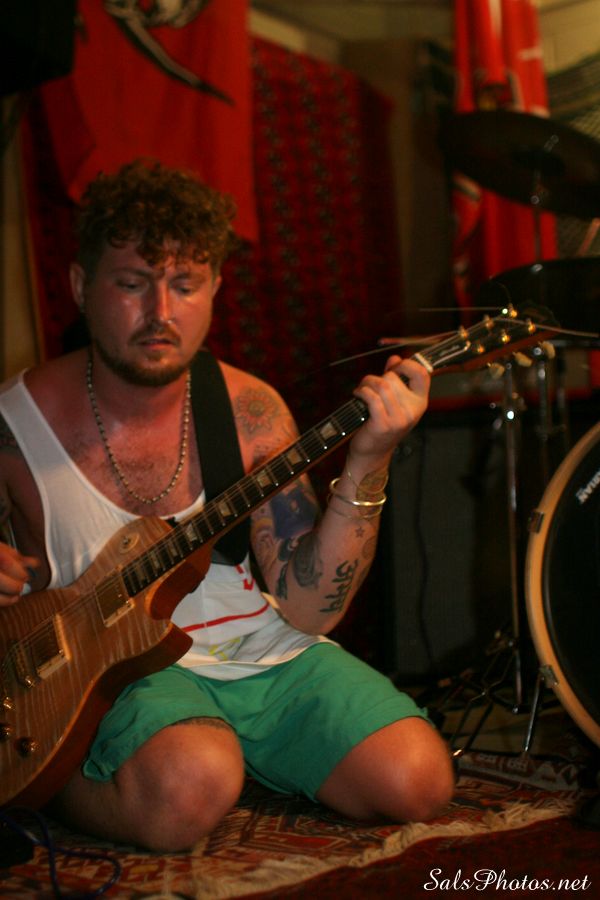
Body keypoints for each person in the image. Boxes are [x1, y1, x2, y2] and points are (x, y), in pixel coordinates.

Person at [0, 160, 454, 852]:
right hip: (106, 675)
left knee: (419, 780)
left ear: (215, 287)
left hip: (255, 649)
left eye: (185, 285)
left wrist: (370, 458)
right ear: (80, 286)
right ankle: (52, 772)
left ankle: (222, 752)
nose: (160, 312)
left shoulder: (250, 409)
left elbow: (309, 608)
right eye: (132, 283)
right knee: (193, 784)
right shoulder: (14, 421)